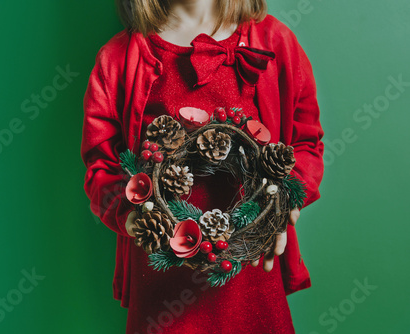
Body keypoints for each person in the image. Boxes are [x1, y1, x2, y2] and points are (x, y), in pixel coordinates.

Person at [81, 0, 324, 332]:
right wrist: (131, 215)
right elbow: (101, 165)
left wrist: (286, 200)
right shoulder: (118, 59)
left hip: (251, 278)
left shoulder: (275, 42)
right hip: (162, 285)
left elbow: (306, 142)